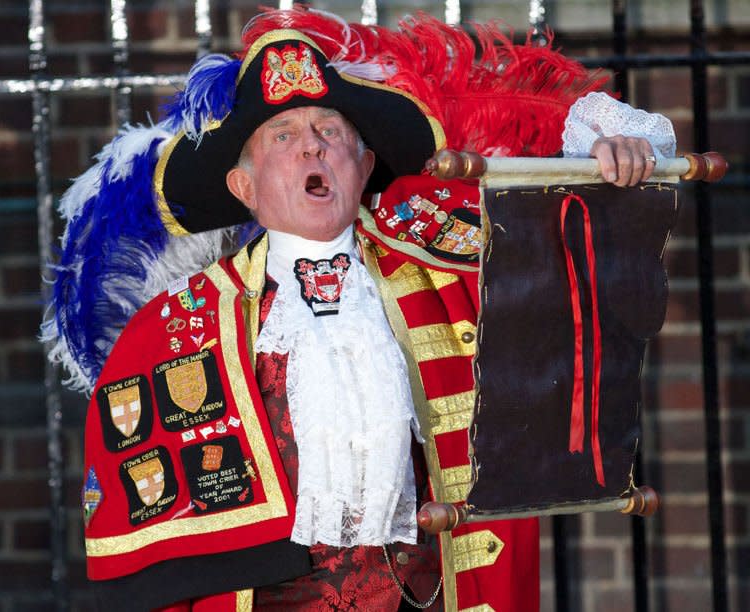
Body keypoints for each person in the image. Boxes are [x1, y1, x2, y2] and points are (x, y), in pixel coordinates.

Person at [44, 9, 676, 612]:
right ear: (245, 188)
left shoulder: (451, 272)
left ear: (365, 164)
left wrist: (608, 156)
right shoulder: (172, 329)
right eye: (283, 137)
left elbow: (572, 256)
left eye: (330, 134)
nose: (310, 151)